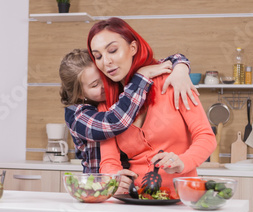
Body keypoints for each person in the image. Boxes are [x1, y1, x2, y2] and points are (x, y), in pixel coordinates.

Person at [87, 17, 216, 195]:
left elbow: (206, 137)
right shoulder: (107, 106)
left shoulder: (173, 82)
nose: (106, 61)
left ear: (133, 48)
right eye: (98, 56)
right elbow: (109, 159)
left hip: (183, 197)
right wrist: (113, 177)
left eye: (113, 50)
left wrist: (183, 162)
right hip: (133, 199)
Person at [60, 49, 198, 173]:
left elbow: (170, 60)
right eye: (95, 85)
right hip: (99, 185)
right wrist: (142, 75)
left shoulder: (117, 97)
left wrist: (180, 67)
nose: (104, 85)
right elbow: (115, 122)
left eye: (103, 77)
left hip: (128, 182)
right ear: (79, 94)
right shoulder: (76, 115)